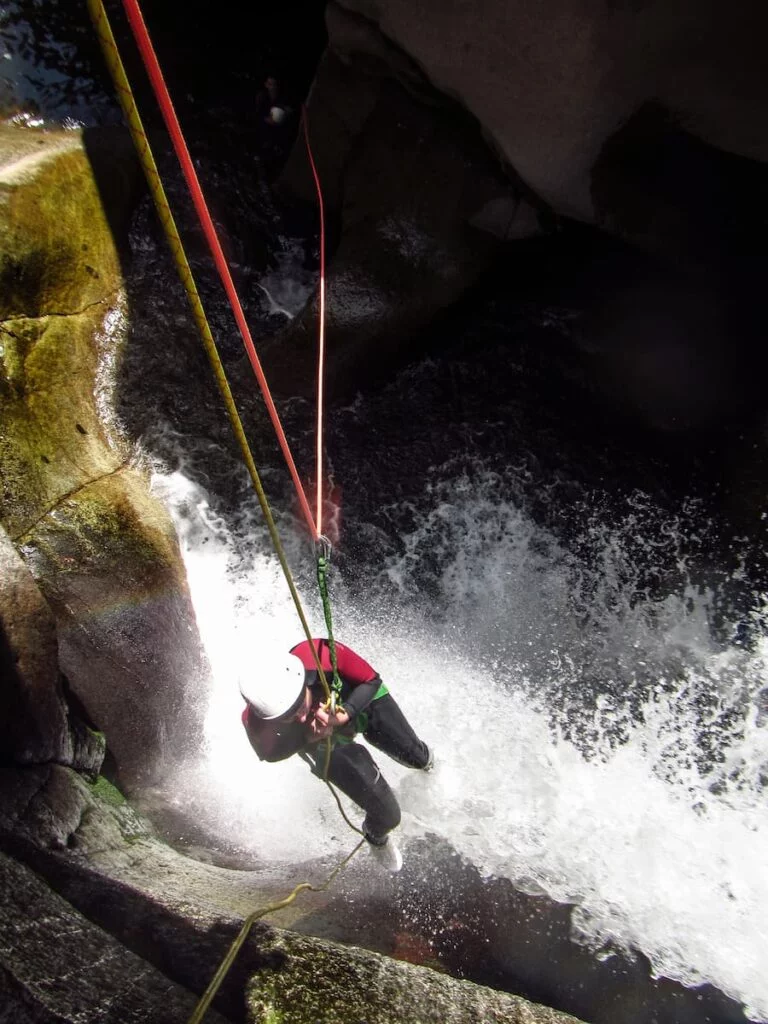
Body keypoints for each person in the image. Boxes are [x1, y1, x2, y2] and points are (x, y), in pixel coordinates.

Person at [240, 638, 433, 872]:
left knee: (416, 756)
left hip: (357, 700)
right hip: (322, 743)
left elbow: (372, 680)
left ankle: (431, 766)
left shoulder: (319, 654)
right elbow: (269, 754)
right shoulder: (257, 722)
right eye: (288, 716)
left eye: (299, 706)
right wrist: (306, 737)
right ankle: (376, 836)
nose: (301, 718)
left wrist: (347, 713)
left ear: (304, 684)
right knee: (389, 816)